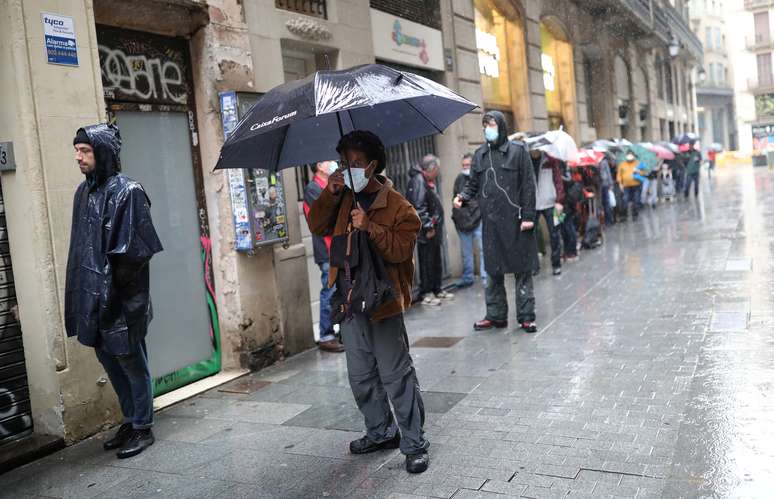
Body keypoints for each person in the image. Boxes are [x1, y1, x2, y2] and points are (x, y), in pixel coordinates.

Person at [308, 130, 429, 474]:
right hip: (349, 301)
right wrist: (331, 194)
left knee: (396, 375)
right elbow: (317, 226)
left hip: (383, 302)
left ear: (373, 165)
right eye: (345, 163)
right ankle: (380, 431)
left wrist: (370, 226)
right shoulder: (343, 195)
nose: (349, 170)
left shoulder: (399, 207)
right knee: (360, 375)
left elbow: (401, 249)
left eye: (356, 163)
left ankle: (414, 442)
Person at [65, 124, 163, 459]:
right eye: (77, 150)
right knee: (109, 361)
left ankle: (143, 426)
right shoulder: (84, 193)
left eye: (85, 151)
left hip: (122, 300)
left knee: (131, 362)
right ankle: (131, 419)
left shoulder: (128, 192)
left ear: (103, 153)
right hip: (93, 298)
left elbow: (135, 253)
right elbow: (80, 250)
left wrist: (111, 293)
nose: (78, 157)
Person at [454, 111, 539, 333]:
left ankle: (526, 316)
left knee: (522, 270)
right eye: (484, 125)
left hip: (517, 222)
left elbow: (528, 185)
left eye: (491, 124)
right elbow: (472, 184)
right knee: (493, 271)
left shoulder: (518, 152)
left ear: (501, 126)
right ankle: (496, 315)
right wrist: (462, 197)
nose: (487, 129)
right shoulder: (480, 155)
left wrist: (529, 217)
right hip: (491, 224)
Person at [303, 161, 345, 353]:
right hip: (326, 249)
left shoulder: (330, 186)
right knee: (329, 289)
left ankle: (341, 330)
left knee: (341, 288)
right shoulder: (313, 189)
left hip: (338, 246)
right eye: (327, 160)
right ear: (319, 166)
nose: (332, 163)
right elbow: (327, 215)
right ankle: (326, 335)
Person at [407, 154, 453, 305]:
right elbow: (419, 207)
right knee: (427, 261)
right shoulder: (419, 181)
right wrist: (428, 226)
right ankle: (426, 292)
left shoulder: (426, 181)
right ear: (431, 169)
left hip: (432, 229)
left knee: (435, 260)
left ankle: (436, 288)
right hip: (426, 231)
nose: (438, 172)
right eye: (437, 169)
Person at [452, 153, 485, 288]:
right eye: (463, 165)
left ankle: (485, 276)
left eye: (468, 165)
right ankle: (468, 277)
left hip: (477, 219)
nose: (465, 167)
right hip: (463, 222)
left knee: (483, 250)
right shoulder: (459, 179)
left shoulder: (478, 179)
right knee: (466, 253)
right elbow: (455, 199)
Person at [530, 150, 565, 276]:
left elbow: (558, 180)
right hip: (532, 204)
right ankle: (534, 266)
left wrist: (559, 200)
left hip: (551, 202)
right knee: (530, 236)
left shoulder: (550, 160)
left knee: (554, 234)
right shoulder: (525, 161)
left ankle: (556, 264)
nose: (534, 150)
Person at [617, 150, 643, 221]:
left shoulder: (637, 163)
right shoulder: (622, 164)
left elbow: (642, 173)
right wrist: (620, 183)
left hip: (636, 185)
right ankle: (624, 215)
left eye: (631, 155)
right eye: (628, 155)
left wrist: (638, 171)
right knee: (625, 199)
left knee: (636, 200)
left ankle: (635, 214)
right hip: (626, 186)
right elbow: (619, 175)